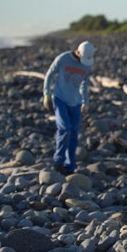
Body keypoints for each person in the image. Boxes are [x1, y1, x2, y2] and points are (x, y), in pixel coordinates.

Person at [43, 41, 95, 175]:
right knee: (64, 128)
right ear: (77, 52)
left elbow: (84, 84)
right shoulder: (63, 59)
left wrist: (85, 102)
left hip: (76, 102)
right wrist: (46, 94)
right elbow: (49, 74)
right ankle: (58, 161)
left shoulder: (87, 65)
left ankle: (69, 166)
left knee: (73, 134)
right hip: (60, 98)